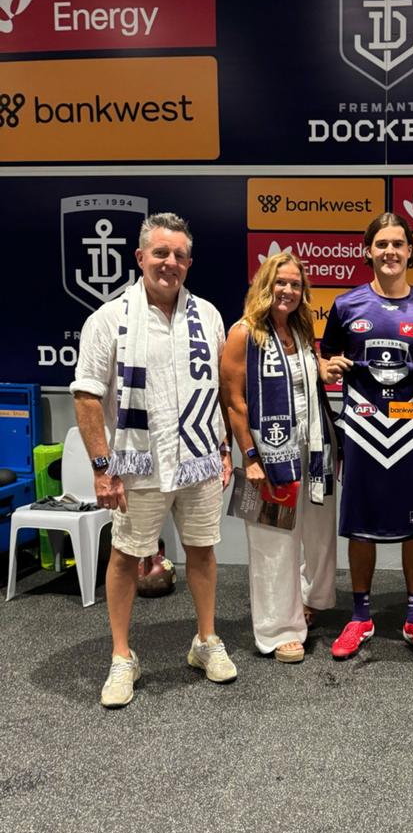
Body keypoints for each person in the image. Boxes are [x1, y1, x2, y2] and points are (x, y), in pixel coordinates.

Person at [71, 212, 237, 708]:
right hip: (139, 461)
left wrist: (224, 447)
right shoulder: (108, 319)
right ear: (140, 257)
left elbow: (218, 392)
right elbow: (86, 397)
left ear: (189, 262)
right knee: (126, 557)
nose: (170, 262)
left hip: (200, 457)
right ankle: (122, 656)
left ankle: (205, 641)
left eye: (179, 255)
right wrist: (103, 469)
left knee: (203, 550)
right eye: (160, 253)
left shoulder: (208, 314)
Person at [320, 212, 413, 663]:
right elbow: (327, 359)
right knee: (360, 524)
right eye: (381, 244)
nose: (390, 252)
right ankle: (360, 616)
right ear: (368, 251)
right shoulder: (346, 305)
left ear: (410, 251)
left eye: (398, 244)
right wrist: (327, 368)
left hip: (412, 431)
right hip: (361, 430)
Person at [220, 252, 337, 662]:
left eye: (295, 284)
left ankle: (308, 601)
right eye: (280, 283)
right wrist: (250, 456)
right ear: (264, 286)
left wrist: (323, 367)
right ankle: (278, 628)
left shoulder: (301, 332)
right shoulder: (244, 333)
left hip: (315, 447)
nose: (287, 290)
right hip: (271, 453)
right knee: (275, 540)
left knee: (319, 535)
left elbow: (303, 381)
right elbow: (233, 400)